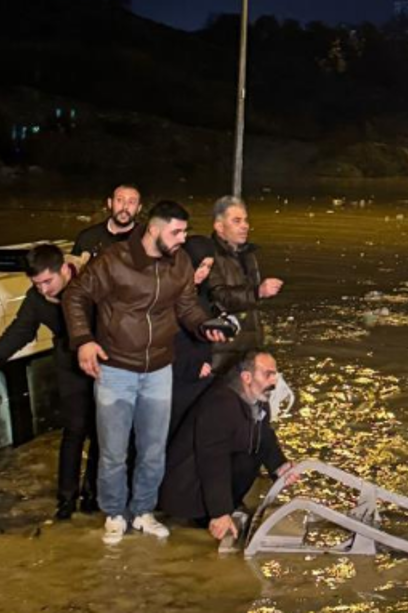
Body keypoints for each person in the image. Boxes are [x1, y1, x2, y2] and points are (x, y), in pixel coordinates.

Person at [63, 200, 228, 545]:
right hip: (115, 368)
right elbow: (76, 295)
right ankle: (113, 513)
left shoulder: (179, 262)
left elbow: (186, 307)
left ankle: (142, 511)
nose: (183, 238)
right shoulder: (115, 260)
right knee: (113, 450)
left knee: (153, 449)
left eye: (184, 231)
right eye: (176, 231)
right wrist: (83, 341)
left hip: (159, 368)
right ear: (154, 229)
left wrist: (205, 327)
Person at [0, 244, 97, 520]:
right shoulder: (37, 299)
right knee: (74, 430)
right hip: (69, 364)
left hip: (105, 361)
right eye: (37, 284)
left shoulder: (93, 282)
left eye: (48, 281)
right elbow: (16, 335)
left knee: (104, 432)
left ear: (65, 270)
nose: (44, 289)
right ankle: (66, 502)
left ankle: (94, 496)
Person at [159, 351, 297, 542]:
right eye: (268, 374)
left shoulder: (259, 399)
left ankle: (226, 506)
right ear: (246, 377)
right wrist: (220, 512)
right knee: (239, 457)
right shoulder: (220, 403)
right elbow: (213, 461)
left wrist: (280, 466)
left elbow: (265, 437)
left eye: (275, 374)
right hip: (188, 487)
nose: (274, 381)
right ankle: (206, 514)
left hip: (212, 478)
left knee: (252, 452)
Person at [208, 196, 283, 373]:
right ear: (219, 227)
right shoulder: (209, 255)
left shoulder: (248, 254)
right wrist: (258, 292)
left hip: (249, 346)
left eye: (246, 220)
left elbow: (250, 303)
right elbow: (220, 297)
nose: (245, 226)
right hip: (222, 352)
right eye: (237, 221)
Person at [168, 235, 217, 442]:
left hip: (198, 375)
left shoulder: (201, 295)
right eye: (200, 265)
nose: (204, 272)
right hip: (175, 380)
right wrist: (192, 366)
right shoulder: (170, 295)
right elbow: (167, 341)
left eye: (208, 266)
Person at [72, 183, 142, 258]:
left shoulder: (146, 240)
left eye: (131, 202)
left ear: (139, 208)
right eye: (119, 200)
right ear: (110, 203)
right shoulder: (88, 237)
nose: (125, 207)